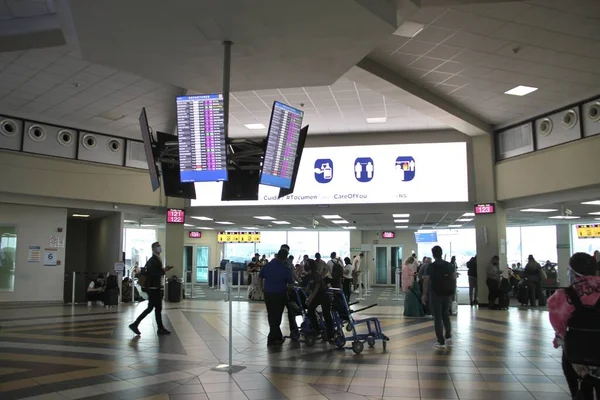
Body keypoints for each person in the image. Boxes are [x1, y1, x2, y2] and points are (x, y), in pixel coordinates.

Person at [548, 252, 600, 399]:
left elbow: (559, 328)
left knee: (580, 391)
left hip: (576, 355)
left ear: (572, 271)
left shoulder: (562, 296)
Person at [129, 242, 172, 336]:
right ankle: (159, 328)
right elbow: (153, 273)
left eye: (160, 246)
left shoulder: (156, 259)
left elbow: (155, 272)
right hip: (153, 288)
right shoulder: (153, 260)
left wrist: (163, 270)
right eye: (158, 247)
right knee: (157, 308)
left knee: (151, 308)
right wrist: (163, 270)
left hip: (154, 287)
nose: (159, 248)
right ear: (153, 249)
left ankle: (136, 324)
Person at [422, 246, 455, 349]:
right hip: (447, 293)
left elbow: (426, 281)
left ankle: (441, 341)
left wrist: (424, 294)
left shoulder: (431, 266)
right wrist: (452, 292)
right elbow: (453, 278)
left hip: (436, 293)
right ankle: (448, 335)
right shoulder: (449, 265)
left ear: (433, 254)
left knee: (437, 317)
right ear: (441, 253)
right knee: (445, 314)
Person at [259, 249, 293, 346]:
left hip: (268, 294)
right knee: (277, 316)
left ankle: (276, 336)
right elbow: (290, 283)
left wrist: (261, 290)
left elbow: (260, 277)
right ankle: (272, 338)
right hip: (279, 294)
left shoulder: (267, 266)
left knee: (271, 315)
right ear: (286, 257)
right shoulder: (285, 268)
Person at [304, 259, 334, 341]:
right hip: (316, 296)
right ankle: (316, 329)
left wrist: (310, 298)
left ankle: (331, 335)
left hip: (323, 295)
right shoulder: (309, 275)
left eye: (306, 263)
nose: (305, 265)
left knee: (326, 314)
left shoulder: (316, 274)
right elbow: (309, 286)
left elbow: (317, 288)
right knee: (310, 310)